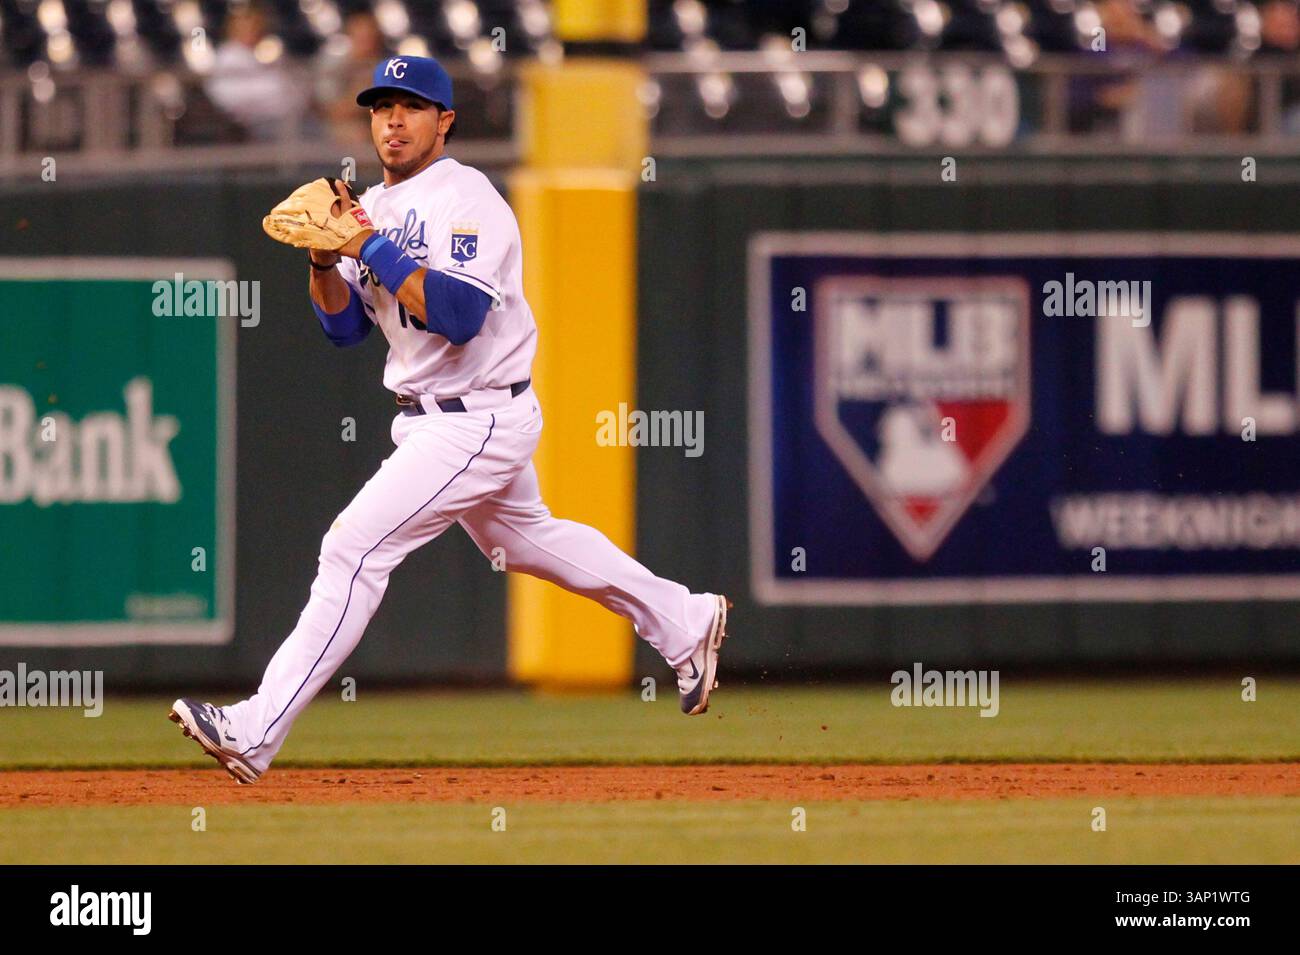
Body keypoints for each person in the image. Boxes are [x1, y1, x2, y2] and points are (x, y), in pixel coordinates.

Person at [170, 56, 731, 784]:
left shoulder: (468, 199)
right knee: (529, 540)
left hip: (479, 418)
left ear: (445, 120)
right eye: (380, 108)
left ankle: (255, 727)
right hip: (430, 418)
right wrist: (319, 259)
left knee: (353, 551)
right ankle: (684, 619)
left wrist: (363, 244)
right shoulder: (369, 204)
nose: (392, 121)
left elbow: (461, 317)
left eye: (409, 106)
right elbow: (342, 332)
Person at [204, 2, 309, 141]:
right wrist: (274, 93)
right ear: (233, 28)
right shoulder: (227, 56)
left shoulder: (272, 49)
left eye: (254, 25)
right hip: (249, 126)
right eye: (244, 26)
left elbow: (296, 89)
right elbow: (225, 97)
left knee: (322, 135)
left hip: (290, 118)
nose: (250, 30)